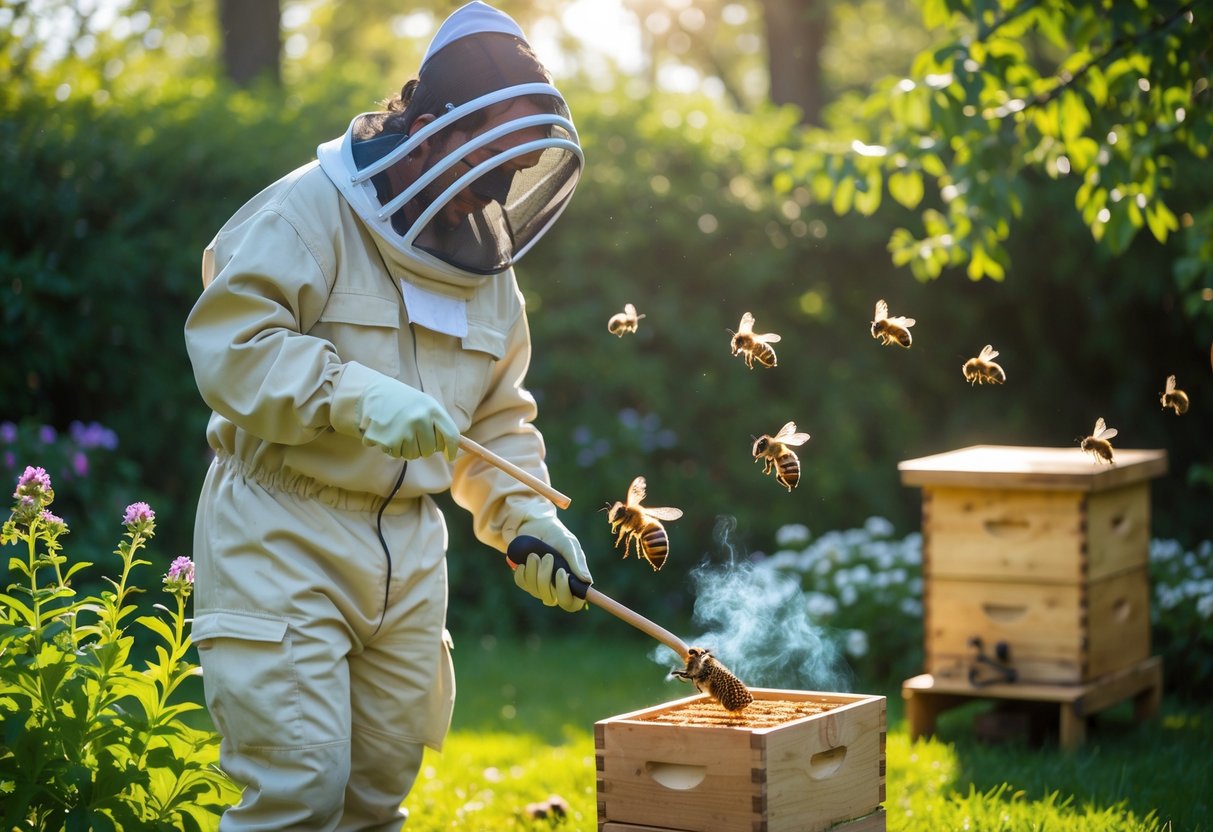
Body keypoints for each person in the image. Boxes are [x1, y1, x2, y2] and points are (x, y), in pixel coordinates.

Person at [183, 3, 591, 829]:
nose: (496, 189)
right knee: (298, 791)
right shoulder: (307, 211)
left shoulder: (489, 273)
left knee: (375, 797)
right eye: (485, 160)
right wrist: (355, 395)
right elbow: (232, 347)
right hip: (282, 527)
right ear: (431, 130)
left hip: (411, 550)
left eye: (511, 167)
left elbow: (498, 418)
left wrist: (529, 515)